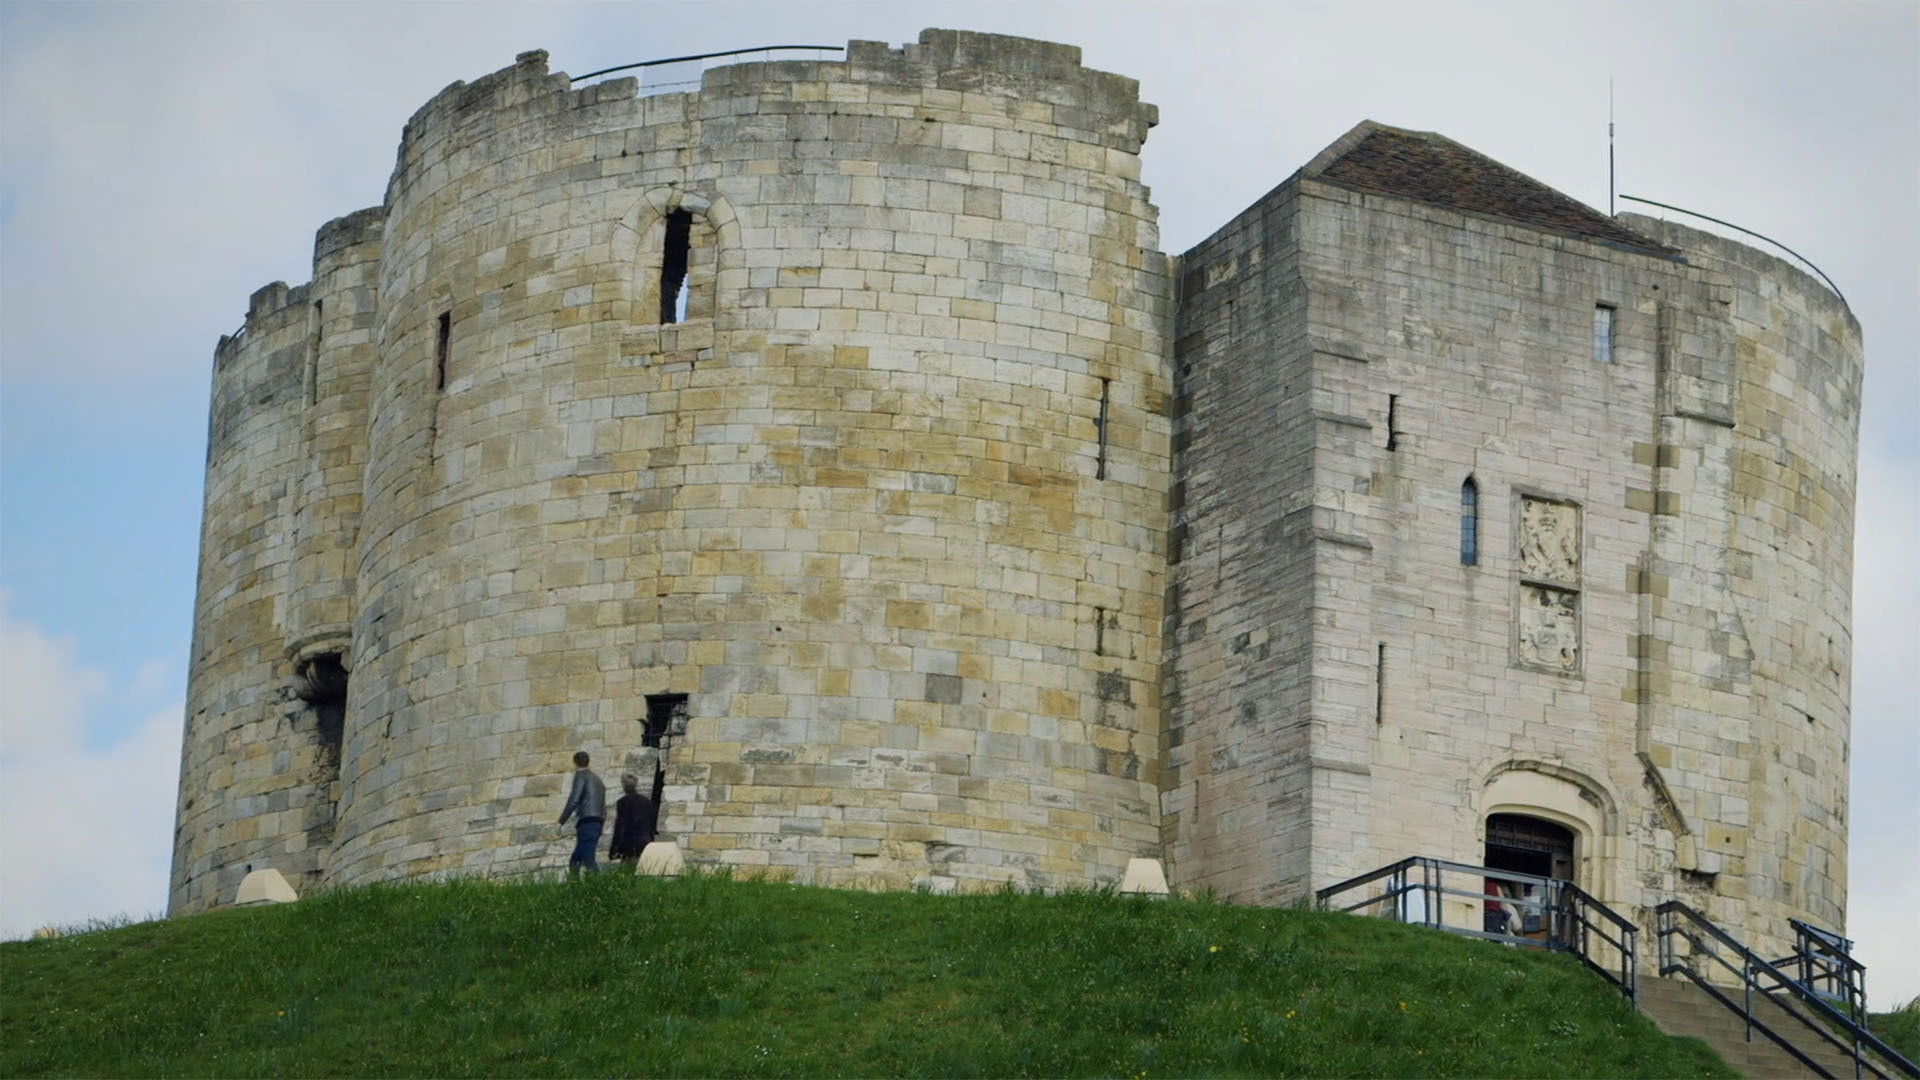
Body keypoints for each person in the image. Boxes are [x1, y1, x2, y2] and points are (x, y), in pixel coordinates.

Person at [558, 750, 606, 874]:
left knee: (587, 857)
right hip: (597, 821)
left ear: (575, 763)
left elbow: (574, 800)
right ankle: (574, 887)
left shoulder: (581, 776)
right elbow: (603, 804)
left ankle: (598, 885)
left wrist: (561, 820)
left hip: (587, 820)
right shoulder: (598, 780)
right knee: (576, 859)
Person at [608, 772, 657, 868]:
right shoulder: (647, 802)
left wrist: (614, 848)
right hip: (645, 840)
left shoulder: (623, 802)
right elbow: (652, 824)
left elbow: (620, 825)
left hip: (629, 842)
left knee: (628, 870)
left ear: (623, 785)